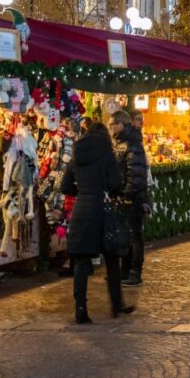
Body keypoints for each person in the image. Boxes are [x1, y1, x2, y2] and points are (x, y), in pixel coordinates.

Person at [61, 122, 135, 323]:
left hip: (82, 211)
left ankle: (81, 308)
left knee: (82, 262)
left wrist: (82, 193)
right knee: (112, 259)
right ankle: (117, 305)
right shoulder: (106, 155)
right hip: (103, 212)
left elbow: (65, 186)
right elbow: (115, 184)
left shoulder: (76, 157)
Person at [110, 111, 149, 287]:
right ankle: (124, 271)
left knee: (134, 235)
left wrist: (126, 195)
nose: (110, 127)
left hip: (133, 199)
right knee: (126, 235)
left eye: (112, 124)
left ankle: (134, 272)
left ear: (121, 124)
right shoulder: (122, 143)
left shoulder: (132, 145)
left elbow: (135, 175)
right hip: (124, 198)